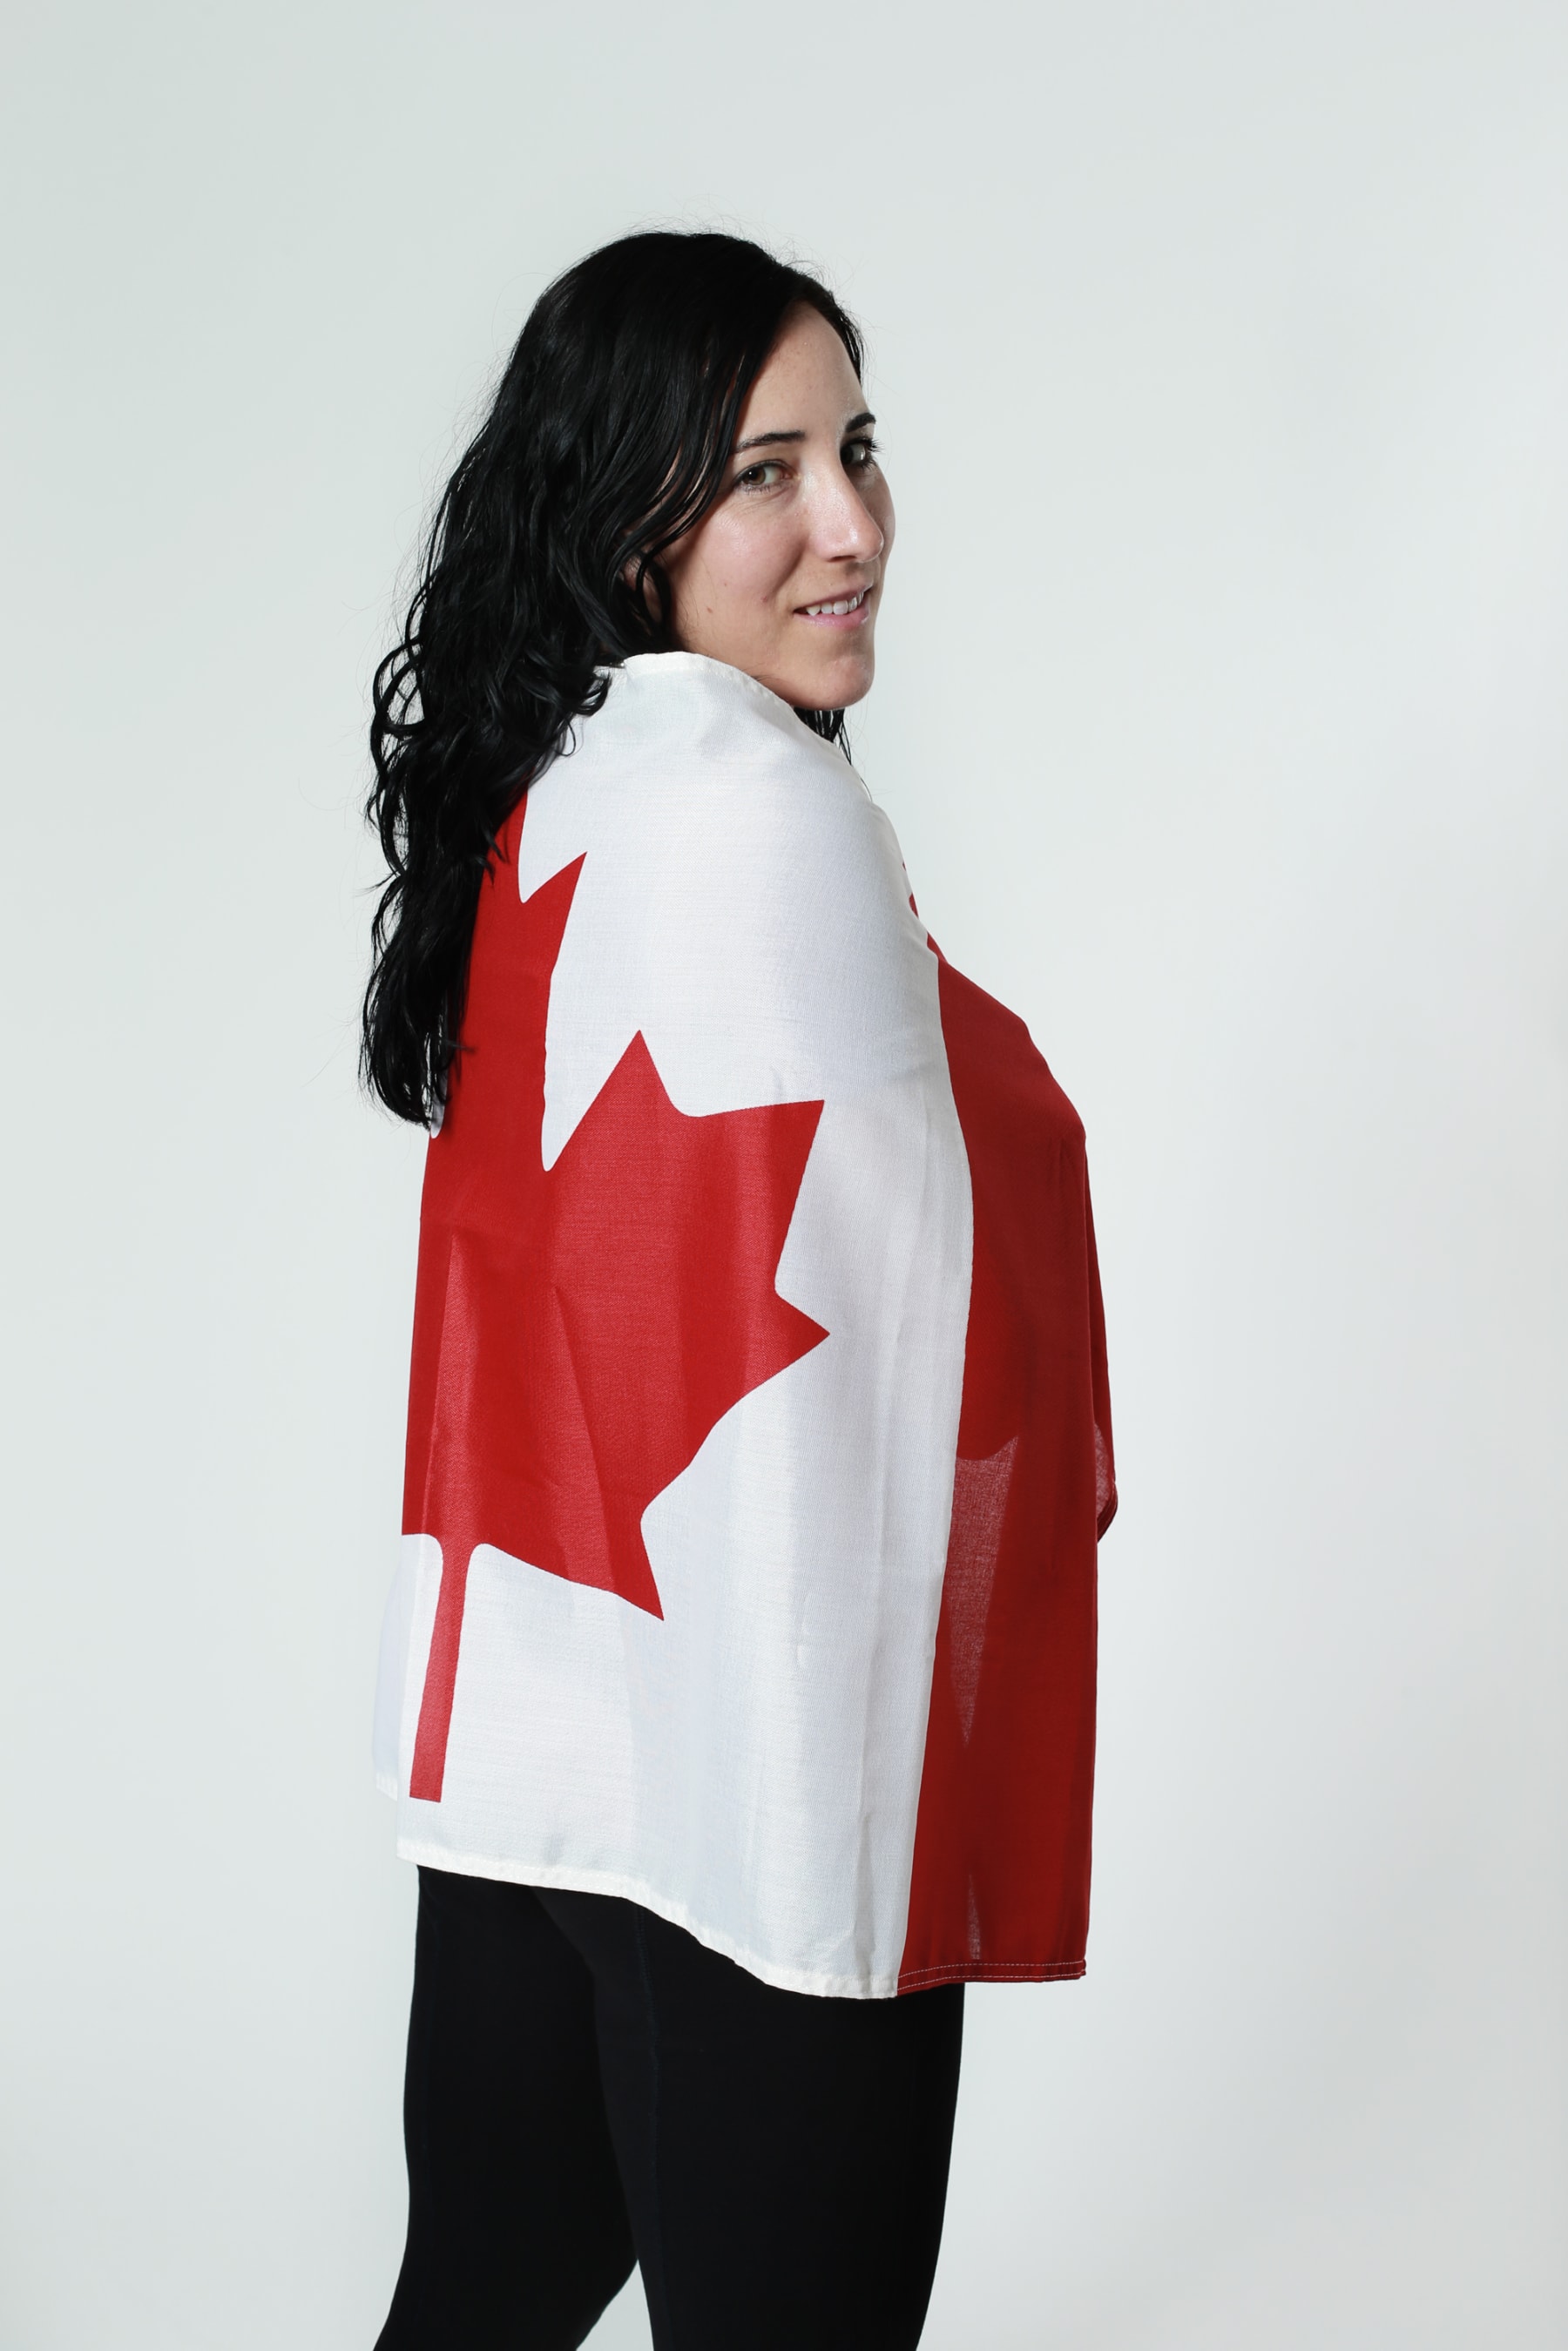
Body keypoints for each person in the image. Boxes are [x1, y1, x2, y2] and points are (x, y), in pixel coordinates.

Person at [362, 229, 1115, 2351]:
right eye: (767, 470)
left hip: (551, 1724)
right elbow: (905, 1289)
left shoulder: (560, 795)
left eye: (858, 451)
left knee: (481, 2299)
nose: (852, 525)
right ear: (628, 527)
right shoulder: (769, 820)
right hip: (776, 1784)